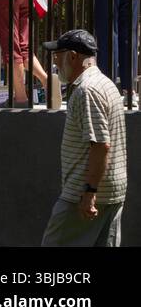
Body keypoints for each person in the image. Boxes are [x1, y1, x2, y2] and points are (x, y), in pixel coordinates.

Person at [40, 30, 128, 246]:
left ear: (72, 56)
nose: (55, 62)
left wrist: (89, 193)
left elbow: (100, 145)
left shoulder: (86, 90)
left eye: (57, 56)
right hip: (111, 192)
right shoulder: (106, 84)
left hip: (84, 195)